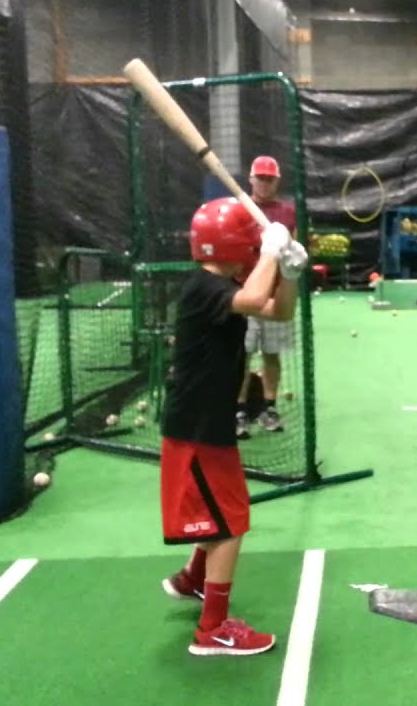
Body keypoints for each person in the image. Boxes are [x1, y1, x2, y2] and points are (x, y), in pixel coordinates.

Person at [158, 196, 307, 657]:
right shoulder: (206, 288)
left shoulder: (218, 285)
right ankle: (213, 629)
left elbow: (278, 311)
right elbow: (249, 299)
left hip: (206, 426)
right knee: (229, 523)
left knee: (222, 512)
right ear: (234, 245)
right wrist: (269, 252)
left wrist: (288, 273)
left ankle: (192, 579)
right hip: (197, 430)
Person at [237, 155, 297, 437]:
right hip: (244, 294)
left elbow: (293, 248)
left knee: (271, 354)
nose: (264, 183)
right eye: (259, 178)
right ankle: (237, 411)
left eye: (269, 179)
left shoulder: (287, 213)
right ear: (251, 179)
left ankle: (269, 408)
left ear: (277, 181)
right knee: (242, 355)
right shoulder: (240, 209)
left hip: (275, 296)